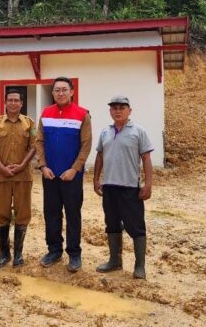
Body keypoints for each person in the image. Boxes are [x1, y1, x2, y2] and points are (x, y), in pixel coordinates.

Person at [93, 96, 153, 279]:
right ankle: (114, 261)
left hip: (129, 188)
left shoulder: (138, 131)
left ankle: (140, 266)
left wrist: (148, 184)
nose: (117, 111)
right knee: (111, 224)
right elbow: (100, 157)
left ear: (129, 111)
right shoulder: (105, 132)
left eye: (121, 107)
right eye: (114, 108)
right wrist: (96, 179)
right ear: (110, 111)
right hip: (109, 188)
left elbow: (146, 159)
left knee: (136, 227)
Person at [36, 77, 92, 272]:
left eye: (64, 89)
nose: (60, 93)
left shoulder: (82, 115)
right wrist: (43, 166)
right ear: (52, 93)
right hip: (50, 175)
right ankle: (54, 250)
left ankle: (74, 254)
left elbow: (86, 145)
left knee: (73, 215)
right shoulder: (46, 114)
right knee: (51, 213)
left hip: (72, 177)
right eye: (57, 90)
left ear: (72, 91)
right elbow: (39, 142)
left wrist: (74, 169)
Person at [0, 89, 36, 267]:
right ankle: (4, 254)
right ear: (5, 103)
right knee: (2, 214)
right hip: (2, 177)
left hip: (23, 177)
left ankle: (18, 255)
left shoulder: (29, 124)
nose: (13, 103)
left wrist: (22, 165)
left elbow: (34, 146)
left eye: (17, 101)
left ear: (21, 104)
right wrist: (1, 167)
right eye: (10, 100)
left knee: (22, 215)